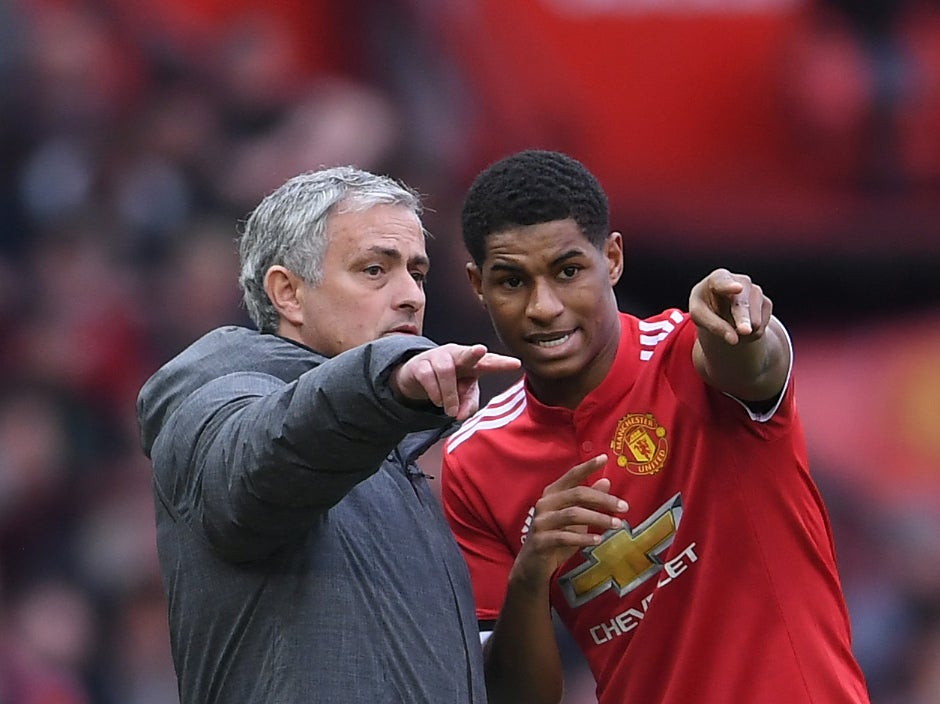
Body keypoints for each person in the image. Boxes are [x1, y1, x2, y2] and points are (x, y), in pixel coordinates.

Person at [441, 149, 871, 704]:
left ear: (612, 259)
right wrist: (531, 574)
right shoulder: (474, 462)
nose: (543, 307)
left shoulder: (691, 355)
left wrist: (740, 326)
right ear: (477, 285)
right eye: (511, 281)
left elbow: (755, 363)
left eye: (568, 271)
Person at [136, 165, 519, 704]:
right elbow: (261, 467)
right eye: (374, 270)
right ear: (288, 293)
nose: (411, 295)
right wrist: (388, 376)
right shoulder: (214, 394)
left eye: (417, 272)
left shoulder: (392, 456)